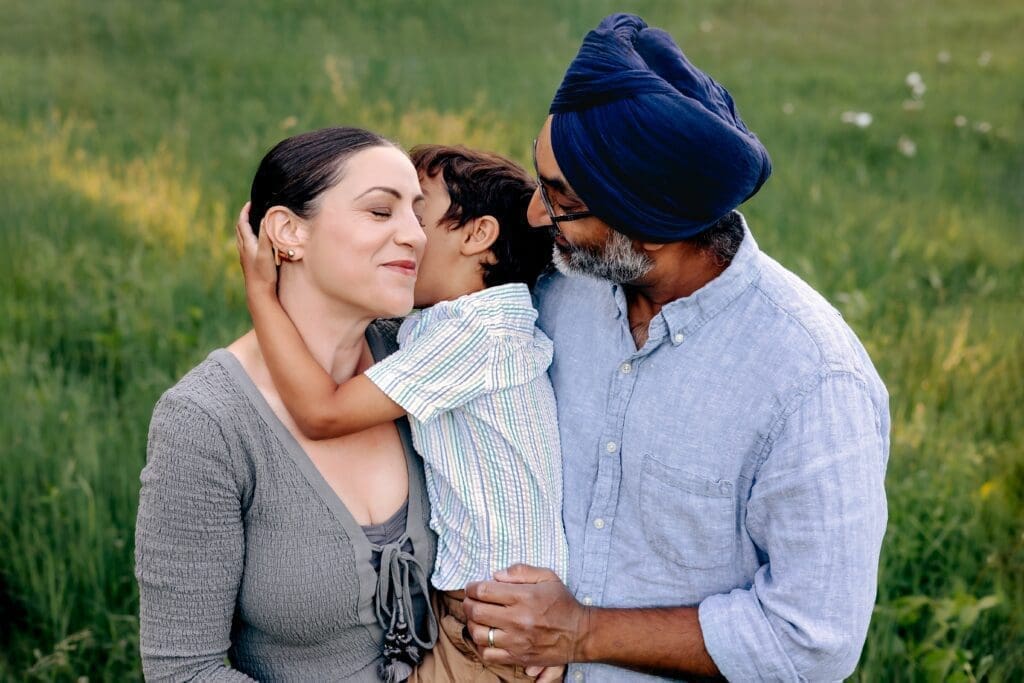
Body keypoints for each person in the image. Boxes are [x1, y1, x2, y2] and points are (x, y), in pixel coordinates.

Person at [461, 13, 890, 682]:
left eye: (563, 198)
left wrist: (578, 631)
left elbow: (812, 638)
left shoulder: (813, 380)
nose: (537, 214)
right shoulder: (553, 283)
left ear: (650, 228)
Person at [236, 144, 567, 683]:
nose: (408, 234)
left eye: (420, 212)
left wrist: (260, 292)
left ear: (477, 236)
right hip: (483, 611)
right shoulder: (468, 327)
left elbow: (322, 412)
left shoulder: (472, 335)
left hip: (492, 626)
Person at [135, 127, 439, 682]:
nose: (415, 236)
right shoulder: (208, 421)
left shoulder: (422, 359)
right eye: (380, 212)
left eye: (418, 215)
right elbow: (184, 673)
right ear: (288, 232)